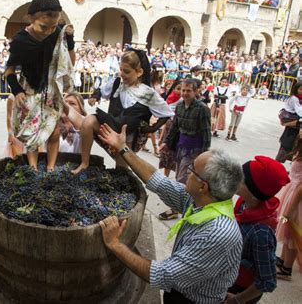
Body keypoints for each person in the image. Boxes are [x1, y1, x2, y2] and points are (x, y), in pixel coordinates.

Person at [98, 123, 243, 303]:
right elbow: (158, 181)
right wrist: (123, 148)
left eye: (192, 170)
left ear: (203, 186)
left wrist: (115, 244)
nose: (186, 172)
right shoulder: (204, 200)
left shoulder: (217, 234)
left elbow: (162, 275)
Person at [72, 49, 173, 174]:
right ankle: (84, 163)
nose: (122, 74)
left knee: (121, 173)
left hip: (128, 137)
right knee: (88, 121)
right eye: (121, 70)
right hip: (110, 128)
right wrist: (95, 96)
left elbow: (167, 113)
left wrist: (152, 128)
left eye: (127, 71)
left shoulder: (148, 93)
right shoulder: (117, 83)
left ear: (139, 72)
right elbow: (102, 90)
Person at [5, 0, 75, 171]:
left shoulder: (57, 34)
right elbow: (9, 70)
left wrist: (70, 41)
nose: (48, 32)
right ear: (31, 18)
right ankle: (33, 168)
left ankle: (51, 168)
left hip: (52, 91)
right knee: (32, 131)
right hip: (30, 90)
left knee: (54, 131)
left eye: (53, 27)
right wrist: (17, 90)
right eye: (44, 26)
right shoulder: (20, 41)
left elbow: (70, 62)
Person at [227, 156, 290, 303]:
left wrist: (237, 300)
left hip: (239, 289)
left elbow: (267, 281)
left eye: (240, 178)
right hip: (228, 276)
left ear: (254, 193)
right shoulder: (244, 204)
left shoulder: (261, 234)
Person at [159, 78, 212, 220]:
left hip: (195, 151)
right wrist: (167, 143)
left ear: (195, 92)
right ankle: (183, 207)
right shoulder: (180, 107)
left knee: (182, 180)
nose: (185, 93)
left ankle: (176, 208)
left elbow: (206, 133)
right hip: (181, 148)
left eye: (188, 90)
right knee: (180, 178)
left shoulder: (202, 109)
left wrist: (205, 153)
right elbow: (175, 127)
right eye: (183, 90)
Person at [276, 136, 302, 281]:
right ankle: (283, 260)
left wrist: (290, 210)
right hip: (290, 195)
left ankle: (287, 269)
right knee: (286, 231)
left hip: (296, 202)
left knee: (291, 233)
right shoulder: (300, 148)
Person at [158, 79, 182, 179]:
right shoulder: (171, 98)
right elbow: (166, 117)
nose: (181, 92)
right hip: (169, 128)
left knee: (177, 156)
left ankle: (177, 179)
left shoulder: (183, 101)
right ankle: (166, 178)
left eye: (183, 89)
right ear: (173, 88)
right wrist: (162, 137)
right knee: (167, 155)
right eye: (178, 89)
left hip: (178, 131)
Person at [275, 82, 302, 163]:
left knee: (295, 152)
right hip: (291, 125)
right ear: (296, 89)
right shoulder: (294, 98)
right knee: (285, 149)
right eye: (300, 89)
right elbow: (300, 112)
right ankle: (276, 168)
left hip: (295, 126)